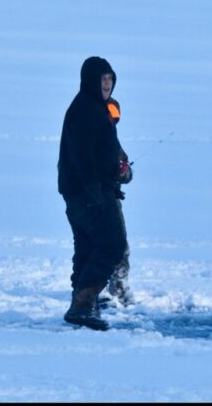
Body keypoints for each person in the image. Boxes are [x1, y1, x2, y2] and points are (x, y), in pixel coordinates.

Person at [57, 56, 129, 330]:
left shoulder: (96, 109)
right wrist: (93, 191)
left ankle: (84, 305)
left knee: (88, 248)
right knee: (112, 246)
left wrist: (120, 170)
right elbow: (82, 156)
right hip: (89, 193)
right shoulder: (86, 110)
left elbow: (106, 151)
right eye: (102, 79)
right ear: (91, 81)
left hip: (89, 191)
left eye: (110, 79)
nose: (107, 84)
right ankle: (82, 305)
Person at [102, 96, 135, 307]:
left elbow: (127, 173)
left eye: (115, 117)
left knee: (121, 246)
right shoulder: (84, 135)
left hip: (112, 198)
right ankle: (98, 290)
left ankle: (119, 288)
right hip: (93, 199)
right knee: (98, 246)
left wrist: (123, 173)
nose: (111, 120)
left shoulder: (114, 143)